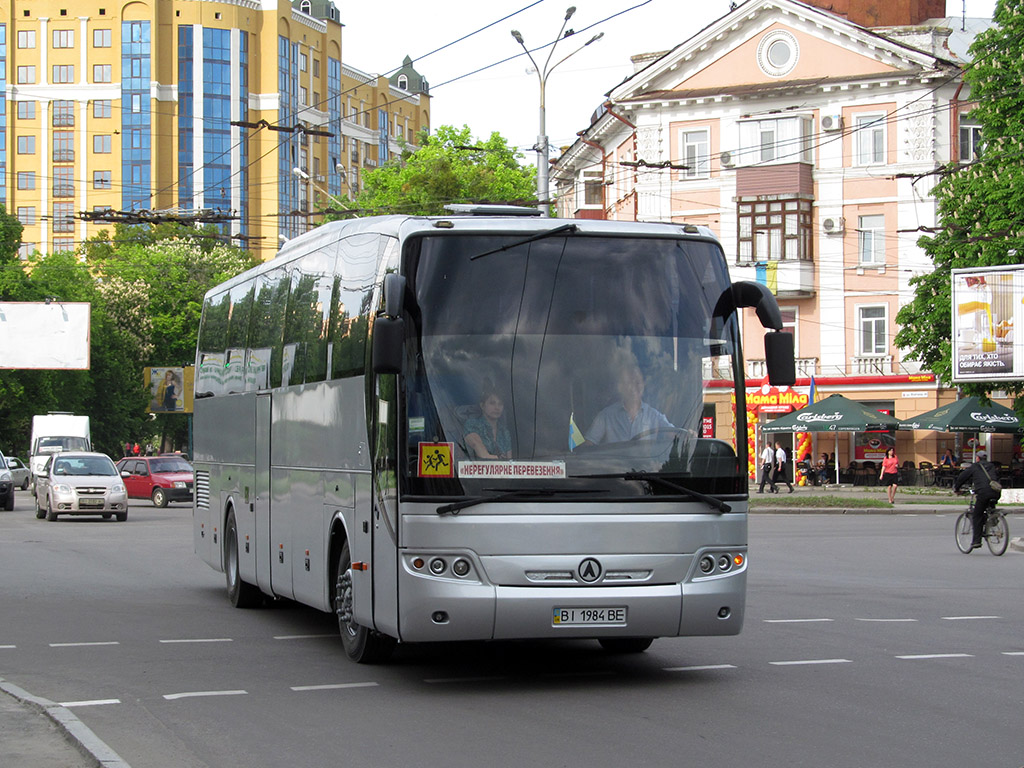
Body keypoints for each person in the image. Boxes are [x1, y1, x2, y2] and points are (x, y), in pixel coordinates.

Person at [586, 363, 673, 444]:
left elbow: (676, 435)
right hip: (614, 461)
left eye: (638, 382)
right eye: (629, 383)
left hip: (645, 461)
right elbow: (588, 445)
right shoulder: (606, 416)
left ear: (643, 384)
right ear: (620, 387)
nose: (634, 387)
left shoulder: (654, 416)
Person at [953, 451, 1002, 550]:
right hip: (996, 492)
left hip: (983, 493)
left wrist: (956, 488)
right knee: (989, 504)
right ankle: (993, 518)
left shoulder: (975, 467)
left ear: (977, 458)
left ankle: (976, 541)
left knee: (977, 515)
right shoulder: (991, 466)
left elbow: (962, 477)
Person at [463, 382, 512, 460]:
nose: (497, 407)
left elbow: (510, 461)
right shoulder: (472, 424)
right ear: (482, 405)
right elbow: (482, 454)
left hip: (502, 471)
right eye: (492, 403)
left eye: (500, 404)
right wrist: (499, 458)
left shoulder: (504, 432)